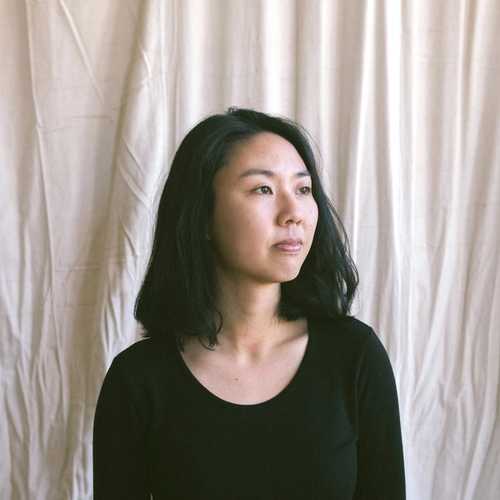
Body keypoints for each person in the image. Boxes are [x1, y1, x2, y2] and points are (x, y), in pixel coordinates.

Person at [92, 107, 406, 499]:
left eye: (303, 189)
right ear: (202, 215)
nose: (294, 213)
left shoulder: (354, 356)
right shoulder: (138, 381)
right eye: (263, 189)